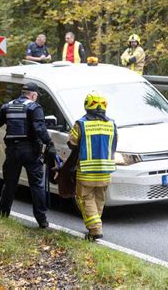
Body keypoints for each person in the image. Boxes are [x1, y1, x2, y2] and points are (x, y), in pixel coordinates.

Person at [0, 82, 56, 228]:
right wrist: (49, 143)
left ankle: (3, 214)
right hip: (31, 151)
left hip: (12, 151)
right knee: (36, 185)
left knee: (10, 184)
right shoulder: (34, 107)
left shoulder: (8, 106)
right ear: (33, 95)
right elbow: (39, 128)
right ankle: (41, 220)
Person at [67, 91, 118, 240]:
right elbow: (114, 144)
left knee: (86, 199)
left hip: (86, 171)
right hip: (105, 171)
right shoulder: (111, 124)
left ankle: (95, 229)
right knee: (98, 199)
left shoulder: (81, 124)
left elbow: (72, 143)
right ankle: (95, 224)